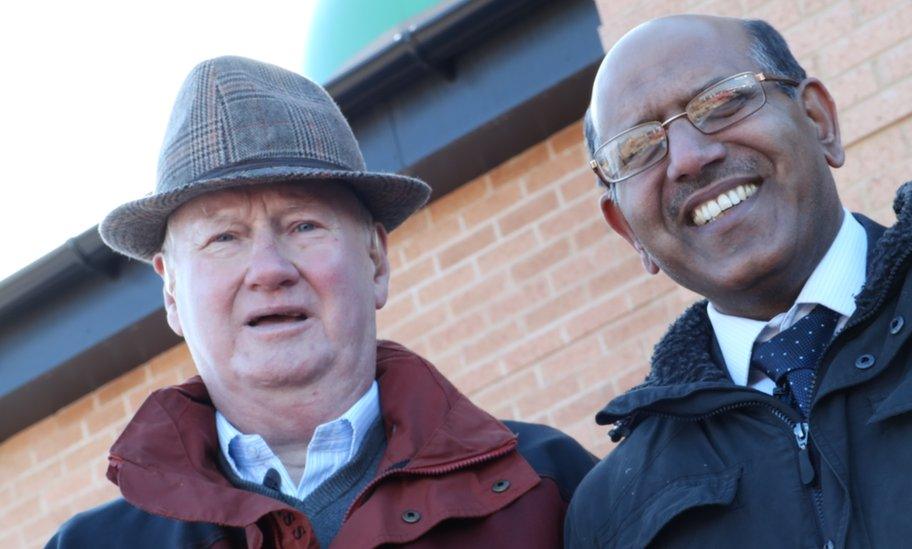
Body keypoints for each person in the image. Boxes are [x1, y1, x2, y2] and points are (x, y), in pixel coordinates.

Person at [47, 56, 595, 548]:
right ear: (171, 292)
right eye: (224, 238)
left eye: (304, 225)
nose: (269, 270)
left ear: (376, 260)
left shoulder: (553, 490)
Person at [565, 14, 912, 548]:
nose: (689, 159)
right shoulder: (610, 515)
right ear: (628, 232)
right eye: (638, 149)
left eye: (720, 102)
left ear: (817, 119)